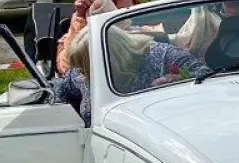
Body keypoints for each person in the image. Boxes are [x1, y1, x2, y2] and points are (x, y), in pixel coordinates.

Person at [52, 24, 211, 126]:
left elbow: (206, 75)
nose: (81, 73)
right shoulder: (80, 74)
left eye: (86, 67)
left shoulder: (161, 55)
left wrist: (177, 80)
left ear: (113, 60)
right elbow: (61, 89)